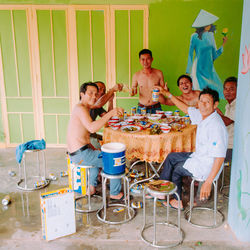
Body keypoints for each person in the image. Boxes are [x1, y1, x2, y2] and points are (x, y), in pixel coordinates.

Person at [152, 86, 228, 210]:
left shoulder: (216, 126)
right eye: (201, 101)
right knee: (171, 156)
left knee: (177, 168)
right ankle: (162, 191)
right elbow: (186, 108)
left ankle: (179, 201)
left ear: (215, 105)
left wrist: (208, 182)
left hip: (207, 166)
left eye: (207, 102)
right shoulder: (203, 115)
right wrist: (167, 94)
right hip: (199, 156)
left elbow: (219, 157)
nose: (203, 105)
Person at [67, 82, 125, 200]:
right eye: (90, 93)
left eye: (96, 93)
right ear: (82, 94)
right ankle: (115, 193)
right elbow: (92, 128)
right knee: (115, 161)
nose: (94, 96)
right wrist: (111, 113)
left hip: (78, 153)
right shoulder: (80, 108)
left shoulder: (84, 108)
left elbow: (83, 134)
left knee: (96, 159)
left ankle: (91, 188)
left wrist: (93, 148)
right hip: (81, 154)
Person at [186, 9, 227, 98]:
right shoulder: (194, 36)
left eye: (210, 24)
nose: (210, 25)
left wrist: (223, 44)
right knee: (199, 92)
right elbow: (190, 54)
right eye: (208, 24)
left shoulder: (211, 35)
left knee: (213, 93)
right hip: (198, 68)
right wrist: (188, 71)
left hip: (209, 68)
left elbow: (214, 55)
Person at [130, 49, 166, 114]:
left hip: (156, 108)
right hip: (142, 108)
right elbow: (132, 92)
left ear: (152, 59)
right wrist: (132, 92)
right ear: (140, 61)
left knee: (159, 124)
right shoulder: (136, 75)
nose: (145, 62)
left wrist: (166, 90)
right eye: (143, 59)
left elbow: (164, 91)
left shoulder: (159, 73)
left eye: (148, 59)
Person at [89, 81, 123, 149]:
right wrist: (112, 90)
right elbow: (98, 104)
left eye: (104, 90)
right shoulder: (88, 102)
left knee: (112, 141)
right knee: (108, 149)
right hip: (84, 138)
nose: (102, 91)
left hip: (92, 134)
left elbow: (108, 118)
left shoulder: (98, 106)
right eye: (99, 88)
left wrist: (110, 101)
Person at [217, 77, 237, 163]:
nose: (227, 92)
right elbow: (225, 119)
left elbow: (227, 122)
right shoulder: (228, 105)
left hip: (232, 146)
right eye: (225, 89)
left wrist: (211, 110)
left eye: (231, 89)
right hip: (225, 142)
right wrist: (215, 109)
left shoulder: (238, 105)